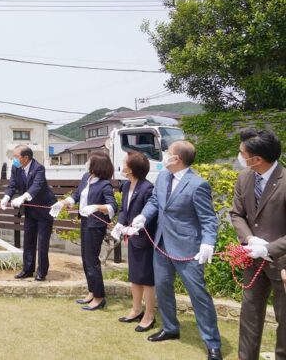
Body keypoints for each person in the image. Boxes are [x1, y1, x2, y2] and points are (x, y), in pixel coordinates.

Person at [131, 140, 222, 360]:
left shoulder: (197, 184)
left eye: (167, 153)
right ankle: (170, 328)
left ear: (177, 159)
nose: (164, 155)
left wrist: (208, 243)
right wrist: (144, 215)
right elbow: (155, 201)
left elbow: (209, 219)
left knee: (198, 294)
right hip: (161, 244)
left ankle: (212, 343)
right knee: (163, 288)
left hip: (188, 248)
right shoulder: (163, 177)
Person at [229, 129, 286, 360]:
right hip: (253, 259)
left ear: (257, 159)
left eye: (242, 153)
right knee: (250, 314)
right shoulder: (245, 177)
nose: (240, 156)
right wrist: (250, 239)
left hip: (282, 263)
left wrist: (269, 248)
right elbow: (236, 214)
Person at [58, 152, 117, 310]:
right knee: (85, 258)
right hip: (84, 221)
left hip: (95, 225)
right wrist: (65, 202)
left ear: (97, 165)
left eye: (90, 161)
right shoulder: (86, 177)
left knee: (92, 260)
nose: (87, 163)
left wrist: (97, 207)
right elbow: (77, 194)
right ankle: (92, 292)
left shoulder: (105, 184)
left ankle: (99, 297)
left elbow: (113, 206)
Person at [112, 152, 156, 331]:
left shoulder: (147, 188)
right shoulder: (125, 186)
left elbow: (151, 214)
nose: (122, 164)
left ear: (131, 168)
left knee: (147, 279)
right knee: (135, 276)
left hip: (145, 238)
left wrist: (136, 228)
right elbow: (124, 209)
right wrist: (120, 224)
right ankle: (136, 309)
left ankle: (149, 314)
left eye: (124, 162)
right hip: (131, 237)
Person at [0, 145, 55, 281]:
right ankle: (27, 270)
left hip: (44, 210)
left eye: (16, 157)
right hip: (30, 210)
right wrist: (6, 197)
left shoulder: (38, 168)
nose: (14, 160)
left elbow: (37, 186)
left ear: (25, 158)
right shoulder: (16, 168)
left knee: (42, 242)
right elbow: (12, 184)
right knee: (28, 240)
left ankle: (42, 272)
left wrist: (22, 197)